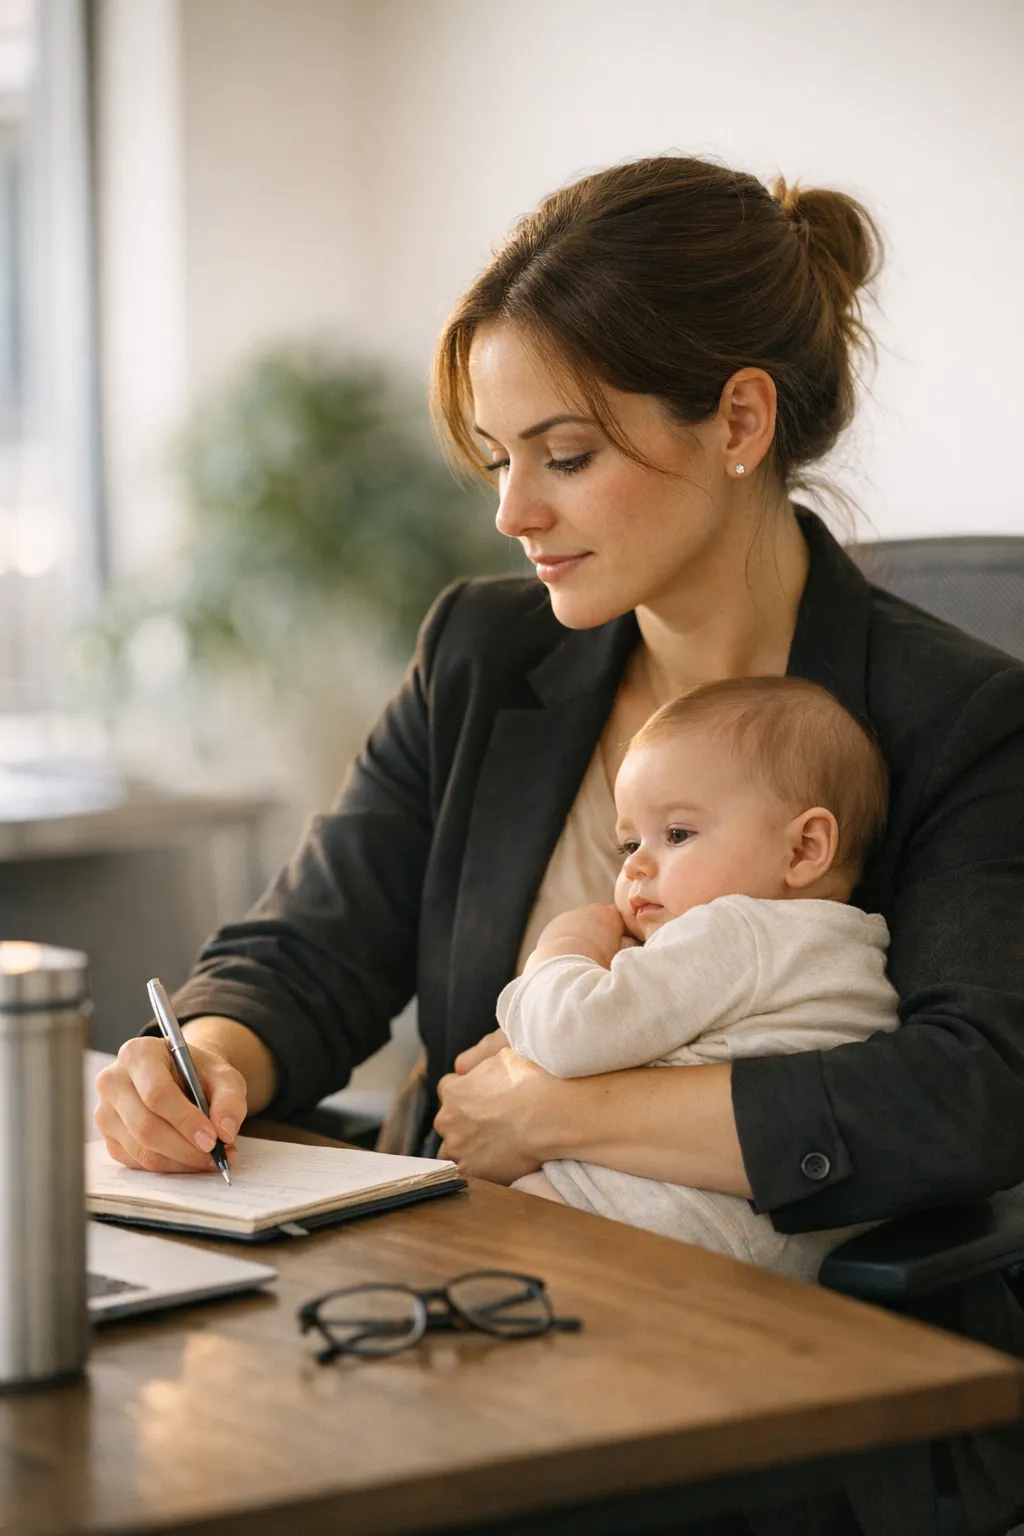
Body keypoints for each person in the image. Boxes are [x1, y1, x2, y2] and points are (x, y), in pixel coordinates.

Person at [93, 150, 1024, 1286]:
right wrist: (198, 1061)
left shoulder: (959, 718)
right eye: (497, 459)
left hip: (766, 1349)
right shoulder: (483, 653)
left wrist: (556, 1111)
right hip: (462, 1278)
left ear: (738, 421)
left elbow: (965, 1098)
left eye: (565, 457)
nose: (511, 512)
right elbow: (310, 955)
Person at [501, 676, 900, 1283]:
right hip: (777, 1233)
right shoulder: (844, 943)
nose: (635, 865)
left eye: (677, 834)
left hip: (674, 1224)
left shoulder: (734, 931)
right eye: (629, 842)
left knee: (487, 1229)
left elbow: (569, 1032)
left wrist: (565, 946)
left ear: (802, 850)